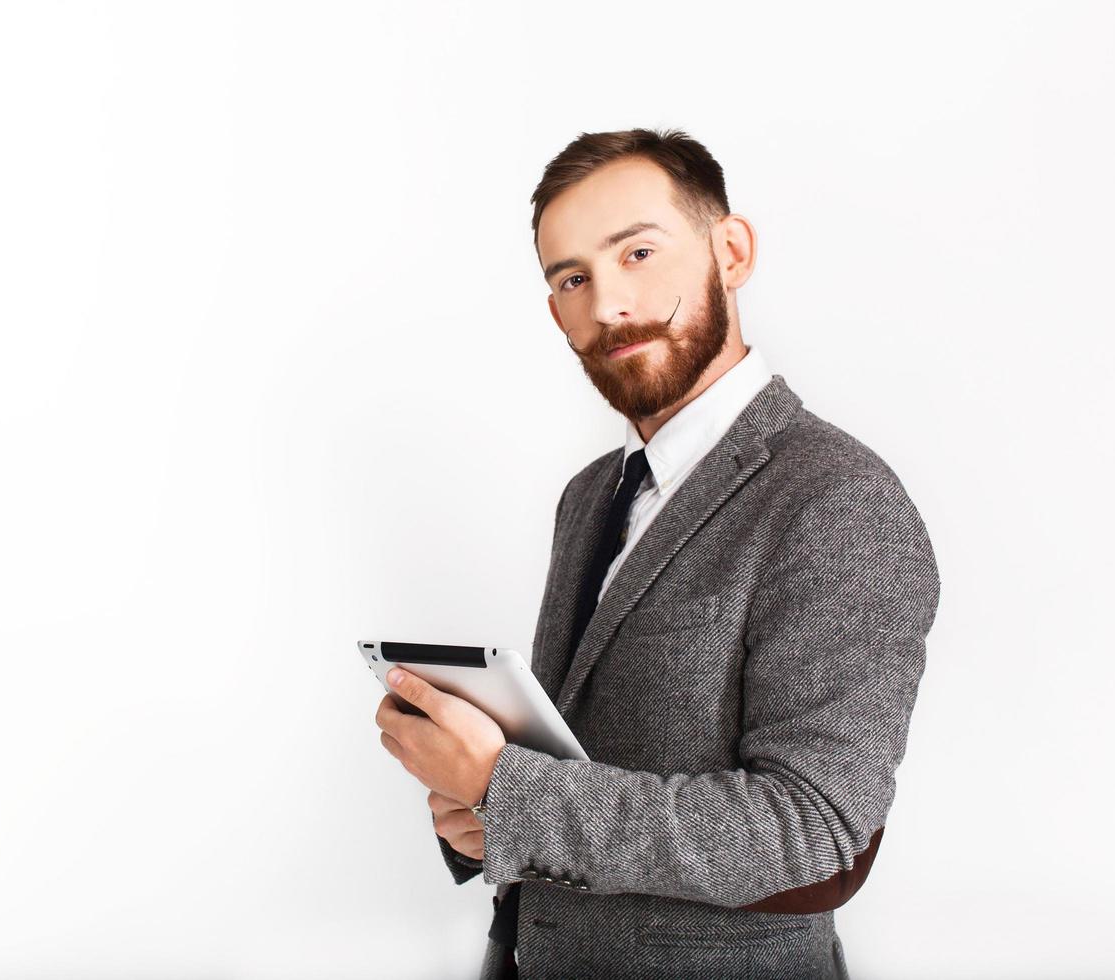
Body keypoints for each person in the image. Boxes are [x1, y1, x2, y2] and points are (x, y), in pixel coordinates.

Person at [373, 127, 941, 980]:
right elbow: (585, 761)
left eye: (638, 252)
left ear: (732, 250)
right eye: (572, 279)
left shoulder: (838, 501)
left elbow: (816, 832)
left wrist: (508, 788)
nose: (607, 304)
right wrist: (487, 816)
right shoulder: (589, 495)